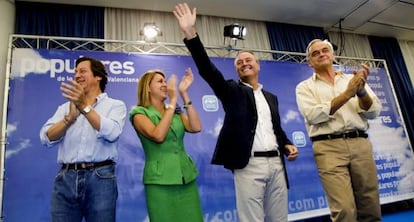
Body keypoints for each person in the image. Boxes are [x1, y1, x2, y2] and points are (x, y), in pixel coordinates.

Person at [173, 3, 299, 222]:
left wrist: (287, 143)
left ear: (258, 65)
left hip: (277, 165)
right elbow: (207, 69)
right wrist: (190, 33)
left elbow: (275, 129)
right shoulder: (231, 90)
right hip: (248, 165)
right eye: (239, 62)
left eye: (248, 60)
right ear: (237, 70)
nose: (244, 63)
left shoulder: (271, 98)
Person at [295, 39, 382, 222]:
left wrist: (361, 93)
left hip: (360, 144)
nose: (321, 54)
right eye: (315, 53)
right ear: (309, 62)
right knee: (344, 209)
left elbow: (373, 111)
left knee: (370, 204)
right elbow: (314, 115)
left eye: (325, 50)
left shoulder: (353, 79)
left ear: (332, 55)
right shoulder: (304, 87)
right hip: (327, 147)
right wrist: (348, 94)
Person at [39, 57, 127, 222]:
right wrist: (68, 119)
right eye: (75, 72)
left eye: (82, 71)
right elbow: (46, 137)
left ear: (98, 76)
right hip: (65, 178)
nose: (77, 75)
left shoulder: (116, 105)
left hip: (100, 178)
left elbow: (113, 132)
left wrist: (84, 107)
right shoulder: (65, 108)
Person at [129, 68, 203, 221]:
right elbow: (158, 135)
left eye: (165, 81)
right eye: (160, 81)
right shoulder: (139, 113)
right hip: (160, 183)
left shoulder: (173, 110)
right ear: (147, 88)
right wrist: (173, 100)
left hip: (186, 179)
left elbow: (195, 127)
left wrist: (183, 93)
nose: (165, 84)